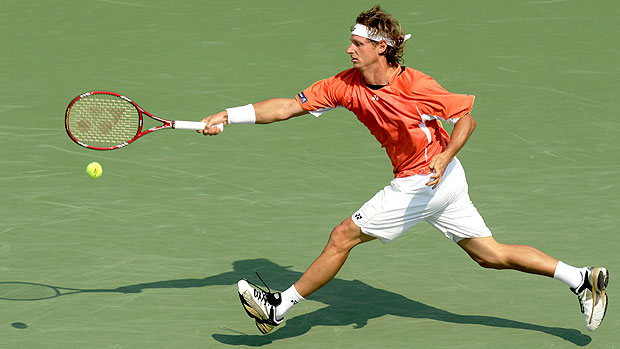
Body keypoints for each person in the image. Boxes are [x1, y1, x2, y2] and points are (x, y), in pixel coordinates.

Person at [199, 6, 609, 335]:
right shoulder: (346, 84)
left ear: (381, 48)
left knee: (342, 236)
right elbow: (288, 106)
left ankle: (278, 306)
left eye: (357, 43)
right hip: (442, 181)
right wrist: (228, 115)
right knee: (490, 254)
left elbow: (466, 117)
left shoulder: (417, 85)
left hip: (424, 181)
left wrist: (445, 155)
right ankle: (581, 278)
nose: (349, 50)